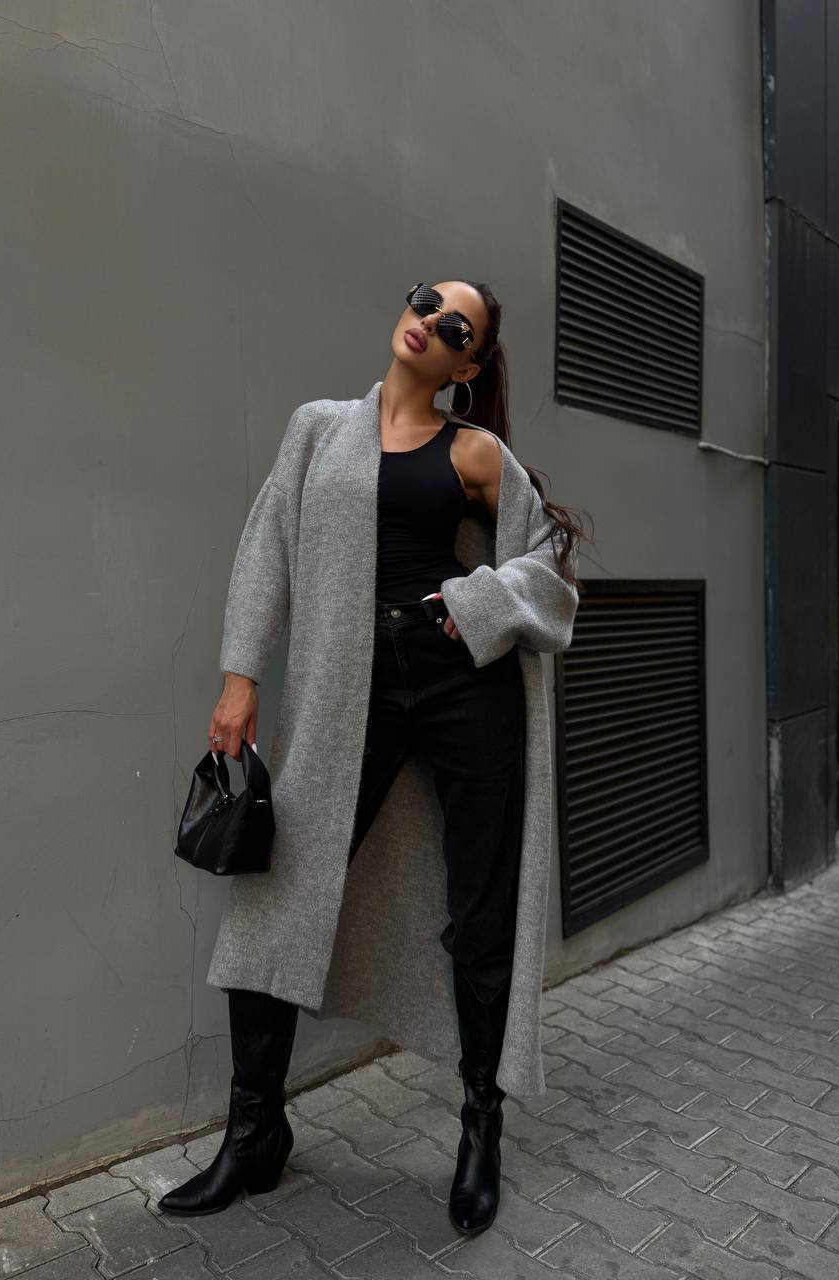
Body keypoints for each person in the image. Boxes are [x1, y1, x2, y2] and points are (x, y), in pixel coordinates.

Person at [159, 280, 584, 1233]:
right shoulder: (319, 428)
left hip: (462, 687)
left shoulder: (476, 452)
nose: (429, 320)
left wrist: (475, 603)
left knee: (481, 908)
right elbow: (266, 547)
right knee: (277, 894)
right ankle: (255, 1133)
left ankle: (480, 1131)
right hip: (350, 688)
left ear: (468, 363)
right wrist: (240, 677)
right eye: (426, 301)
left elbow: (551, 572)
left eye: (454, 325)